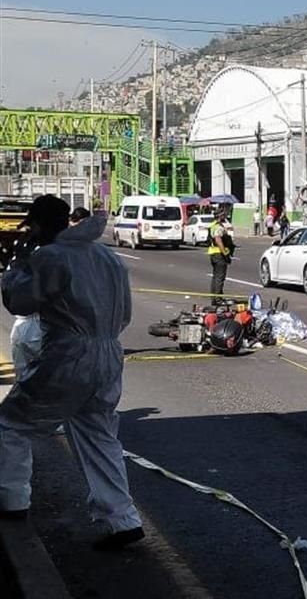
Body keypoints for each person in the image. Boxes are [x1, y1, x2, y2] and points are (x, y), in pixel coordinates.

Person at [0, 195, 144, 549]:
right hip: (109, 353)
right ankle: (122, 520)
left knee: (11, 424)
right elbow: (124, 311)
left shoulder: (51, 256)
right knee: (98, 433)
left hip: (68, 355)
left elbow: (20, 302)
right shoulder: (106, 255)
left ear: (38, 225)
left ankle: (12, 503)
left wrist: (16, 264)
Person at [208, 210, 234, 303]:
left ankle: (214, 297)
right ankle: (218, 299)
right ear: (219, 216)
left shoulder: (213, 225)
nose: (225, 216)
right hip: (219, 254)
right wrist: (225, 253)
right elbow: (218, 240)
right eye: (223, 215)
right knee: (219, 277)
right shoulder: (218, 227)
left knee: (215, 277)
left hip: (213, 254)